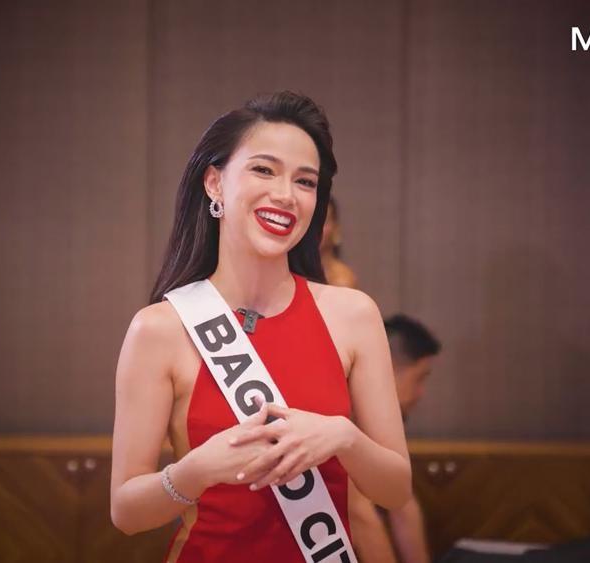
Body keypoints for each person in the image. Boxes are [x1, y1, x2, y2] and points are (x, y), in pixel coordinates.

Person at [110, 91, 412, 562]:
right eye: (264, 170)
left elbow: (395, 489)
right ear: (214, 183)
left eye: (305, 181)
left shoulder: (353, 316)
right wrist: (196, 471)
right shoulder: (158, 330)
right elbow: (126, 512)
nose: (286, 195)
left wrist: (344, 437)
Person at [349, 314, 441, 563]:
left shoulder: (377, 425)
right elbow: (362, 521)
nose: (421, 393)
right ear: (386, 369)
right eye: (419, 378)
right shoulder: (339, 419)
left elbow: (403, 503)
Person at [321, 197, 358, 288]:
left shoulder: (341, 281)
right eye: (311, 222)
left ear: (335, 229)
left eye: (322, 221)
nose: (315, 229)